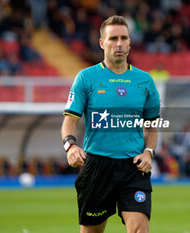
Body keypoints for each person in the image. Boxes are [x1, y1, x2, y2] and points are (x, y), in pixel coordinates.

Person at [61, 15, 160, 233]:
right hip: (97, 166)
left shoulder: (145, 81)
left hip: (133, 167)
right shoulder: (86, 78)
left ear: (130, 42)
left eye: (124, 38)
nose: (119, 43)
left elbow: (152, 126)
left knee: (139, 230)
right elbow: (69, 121)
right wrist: (70, 146)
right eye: (113, 38)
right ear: (102, 43)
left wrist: (149, 152)